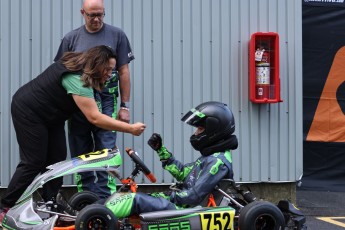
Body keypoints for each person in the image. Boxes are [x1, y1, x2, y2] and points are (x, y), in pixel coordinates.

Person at [0, 45, 146, 223]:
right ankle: (4, 207)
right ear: (97, 64)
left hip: (51, 115)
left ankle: (49, 202)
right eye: (107, 69)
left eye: (113, 69)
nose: (110, 73)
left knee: (57, 160)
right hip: (29, 111)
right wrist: (131, 129)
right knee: (33, 161)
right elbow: (95, 118)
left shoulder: (83, 66)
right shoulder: (77, 79)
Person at [54, 0, 134, 199]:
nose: (97, 19)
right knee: (80, 148)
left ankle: (107, 197)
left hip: (108, 99)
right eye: (92, 15)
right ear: (83, 13)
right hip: (80, 100)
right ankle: (86, 197)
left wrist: (124, 105)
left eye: (100, 14)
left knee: (105, 147)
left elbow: (124, 71)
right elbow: (60, 72)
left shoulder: (117, 35)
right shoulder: (71, 38)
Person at [103, 101, 238, 218]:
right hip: (183, 204)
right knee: (130, 197)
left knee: (135, 200)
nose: (195, 133)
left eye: (200, 129)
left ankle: (99, 215)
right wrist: (161, 150)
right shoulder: (211, 157)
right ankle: (93, 208)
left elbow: (193, 196)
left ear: (214, 131)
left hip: (188, 210)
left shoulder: (217, 162)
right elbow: (183, 173)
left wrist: (167, 196)